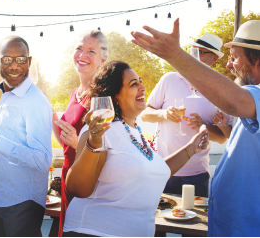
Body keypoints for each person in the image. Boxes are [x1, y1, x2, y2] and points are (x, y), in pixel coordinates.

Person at [131, 19, 260, 236]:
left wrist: (175, 55)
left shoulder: (236, 96)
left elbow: (231, 113)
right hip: (227, 219)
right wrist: (163, 114)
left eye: (235, 57)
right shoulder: (172, 80)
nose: (229, 65)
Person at [63, 61, 209, 237]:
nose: (143, 87)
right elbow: (77, 188)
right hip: (94, 231)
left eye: (140, 82)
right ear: (114, 95)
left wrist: (191, 148)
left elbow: (157, 171)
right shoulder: (102, 129)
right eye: (134, 84)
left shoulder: (135, 132)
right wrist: (94, 143)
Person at [0, 35, 52, 237]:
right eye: (7, 59)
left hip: (21, 204)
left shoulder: (35, 102)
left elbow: (42, 160)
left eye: (21, 59)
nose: (14, 66)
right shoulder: (7, 95)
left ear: (29, 62)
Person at [140, 32, 227, 197]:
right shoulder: (168, 79)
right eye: (192, 51)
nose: (193, 56)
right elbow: (145, 114)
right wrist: (164, 114)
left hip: (197, 173)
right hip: (164, 169)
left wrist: (204, 126)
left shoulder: (219, 90)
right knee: (160, 221)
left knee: (195, 222)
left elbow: (222, 138)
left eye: (200, 52)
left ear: (214, 59)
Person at [51, 30, 108, 237]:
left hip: (90, 184)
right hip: (68, 177)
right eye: (79, 48)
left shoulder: (103, 98)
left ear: (103, 58)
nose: (82, 55)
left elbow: (111, 152)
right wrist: (52, 117)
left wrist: (78, 144)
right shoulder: (75, 93)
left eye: (91, 51)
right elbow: (66, 144)